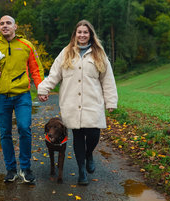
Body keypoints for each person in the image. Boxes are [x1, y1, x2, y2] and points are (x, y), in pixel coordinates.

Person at [37, 20, 118, 185]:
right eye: (79, 32)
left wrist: (110, 101)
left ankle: (89, 155)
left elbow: (108, 80)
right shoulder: (66, 53)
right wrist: (43, 89)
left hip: (93, 102)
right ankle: (82, 171)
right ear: (75, 34)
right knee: (79, 137)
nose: (82, 35)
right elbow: (54, 74)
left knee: (94, 134)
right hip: (71, 103)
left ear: (90, 35)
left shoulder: (99, 54)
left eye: (85, 32)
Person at [0, 15, 44, 183]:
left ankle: (25, 168)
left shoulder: (26, 45)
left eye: (8, 23)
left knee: (24, 128)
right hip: (1, 96)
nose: (5, 26)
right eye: (2, 24)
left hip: (22, 94)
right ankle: (11, 170)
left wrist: (41, 89)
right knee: (5, 133)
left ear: (15, 27)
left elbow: (36, 69)